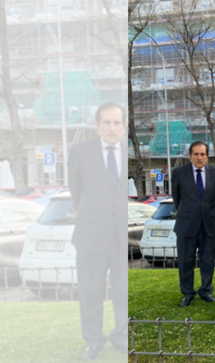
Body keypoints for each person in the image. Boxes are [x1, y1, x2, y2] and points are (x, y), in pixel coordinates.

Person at [67, 102, 128, 360]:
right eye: (107, 122)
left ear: (124, 126)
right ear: (97, 125)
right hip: (92, 232)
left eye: (117, 123)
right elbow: (75, 191)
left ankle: (121, 336)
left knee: (122, 289)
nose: (112, 127)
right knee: (90, 290)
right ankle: (93, 340)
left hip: (123, 234)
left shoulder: (130, 151)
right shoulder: (80, 151)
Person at [171, 141, 215, 307]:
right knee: (185, 261)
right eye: (196, 154)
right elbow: (177, 198)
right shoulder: (179, 172)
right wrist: (189, 212)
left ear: (207, 156)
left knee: (207, 260)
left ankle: (206, 291)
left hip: (208, 224)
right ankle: (187, 293)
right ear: (190, 156)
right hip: (187, 224)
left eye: (202, 154)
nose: (199, 158)